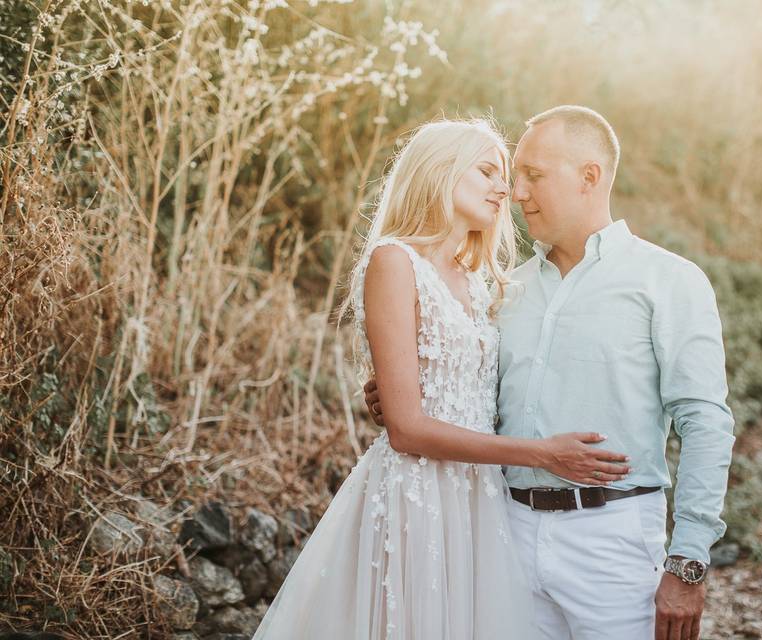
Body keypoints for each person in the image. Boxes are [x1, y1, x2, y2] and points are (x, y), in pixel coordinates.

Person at [251, 118, 630, 640]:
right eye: (487, 172)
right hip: (418, 490)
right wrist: (543, 453)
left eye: (508, 176)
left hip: (479, 494)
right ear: (439, 171)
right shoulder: (394, 260)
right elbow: (406, 429)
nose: (506, 189)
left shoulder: (477, 282)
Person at [365, 106, 735, 640]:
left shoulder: (669, 281)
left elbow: (705, 422)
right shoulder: (499, 289)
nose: (516, 193)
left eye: (533, 176)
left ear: (590, 176)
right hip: (500, 533)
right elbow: (465, 394)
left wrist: (688, 561)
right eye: (514, 178)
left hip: (612, 537)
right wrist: (400, 393)